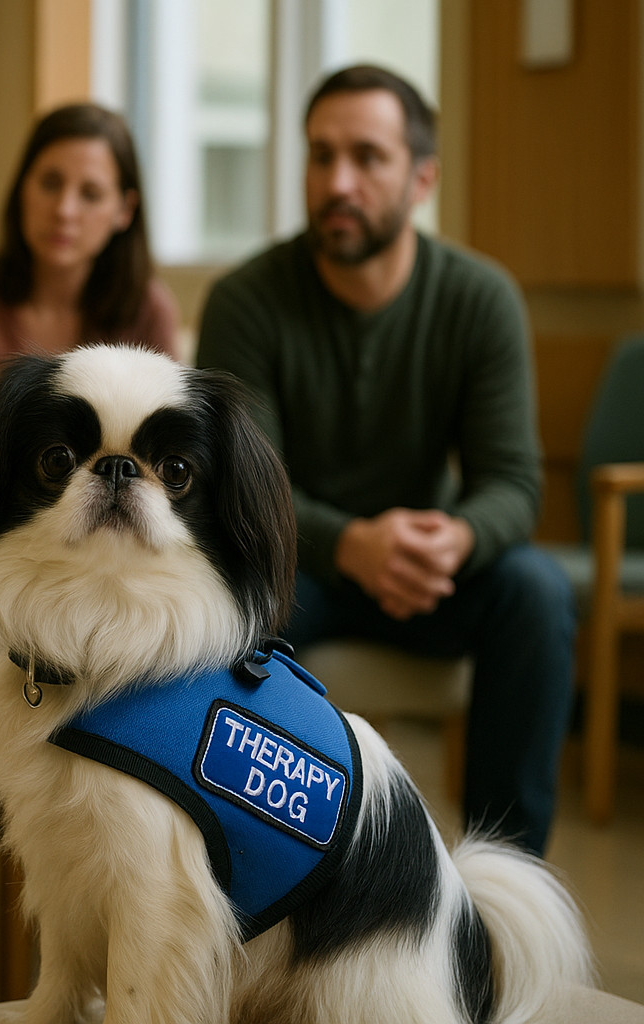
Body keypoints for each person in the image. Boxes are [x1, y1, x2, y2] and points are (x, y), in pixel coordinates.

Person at [196, 64, 574, 856]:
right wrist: (352, 547)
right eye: (320, 155)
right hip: (299, 565)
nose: (338, 181)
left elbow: (513, 481)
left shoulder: (479, 298)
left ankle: (504, 882)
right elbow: (245, 488)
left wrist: (458, 539)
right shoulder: (247, 300)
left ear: (422, 176)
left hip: (429, 568)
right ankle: (260, 867)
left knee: (535, 591)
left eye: (367, 157)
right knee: (222, 599)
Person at [0, 101, 180, 376]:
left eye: (90, 194)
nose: (64, 210)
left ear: (124, 210)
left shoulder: (149, 312)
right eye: (50, 183)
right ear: (22, 188)